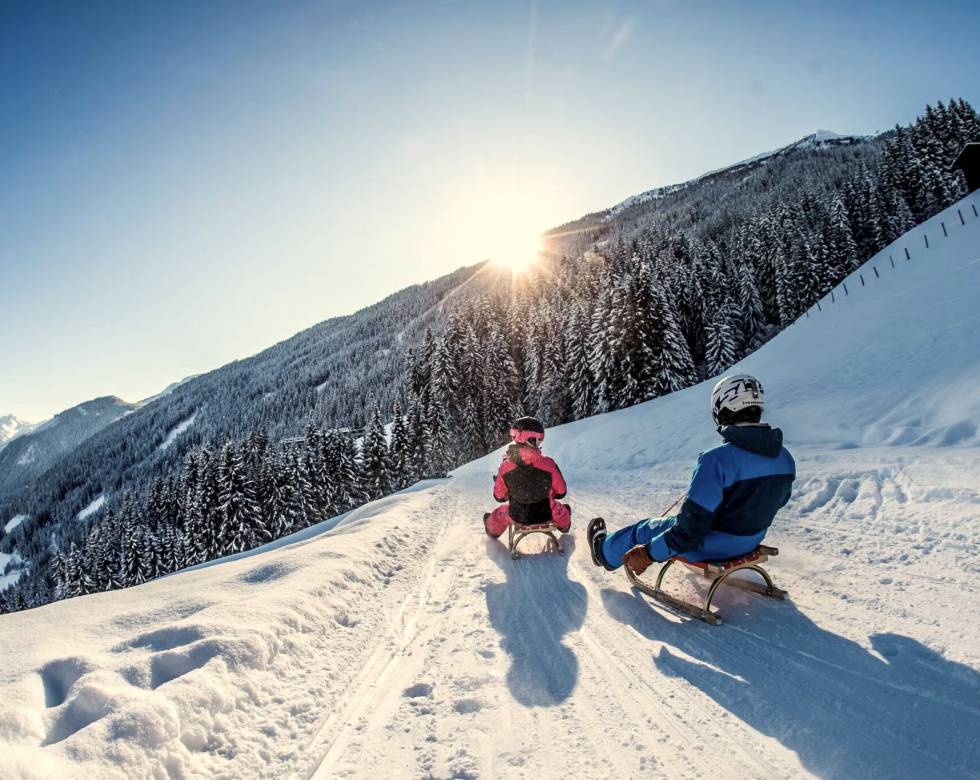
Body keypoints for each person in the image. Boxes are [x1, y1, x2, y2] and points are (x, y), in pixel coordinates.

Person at [588, 374, 795, 575]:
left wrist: (648, 553)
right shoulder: (785, 458)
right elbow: (775, 501)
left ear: (723, 409)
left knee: (645, 529)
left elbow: (689, 530)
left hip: (710, 547)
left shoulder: (716, 460)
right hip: (750, 541)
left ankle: (604, 553)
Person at [484, 416, 572, 538]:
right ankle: (564, 525)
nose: (539, 444)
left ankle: (492, 530)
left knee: (501, 513)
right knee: (559, 510)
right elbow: (561, 491)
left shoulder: (506, 467)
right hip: (545, 513)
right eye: (537, 440)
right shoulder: (548, 464)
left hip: (517, 515)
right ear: (528, 439)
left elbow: (499, 496)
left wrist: (515, 490)